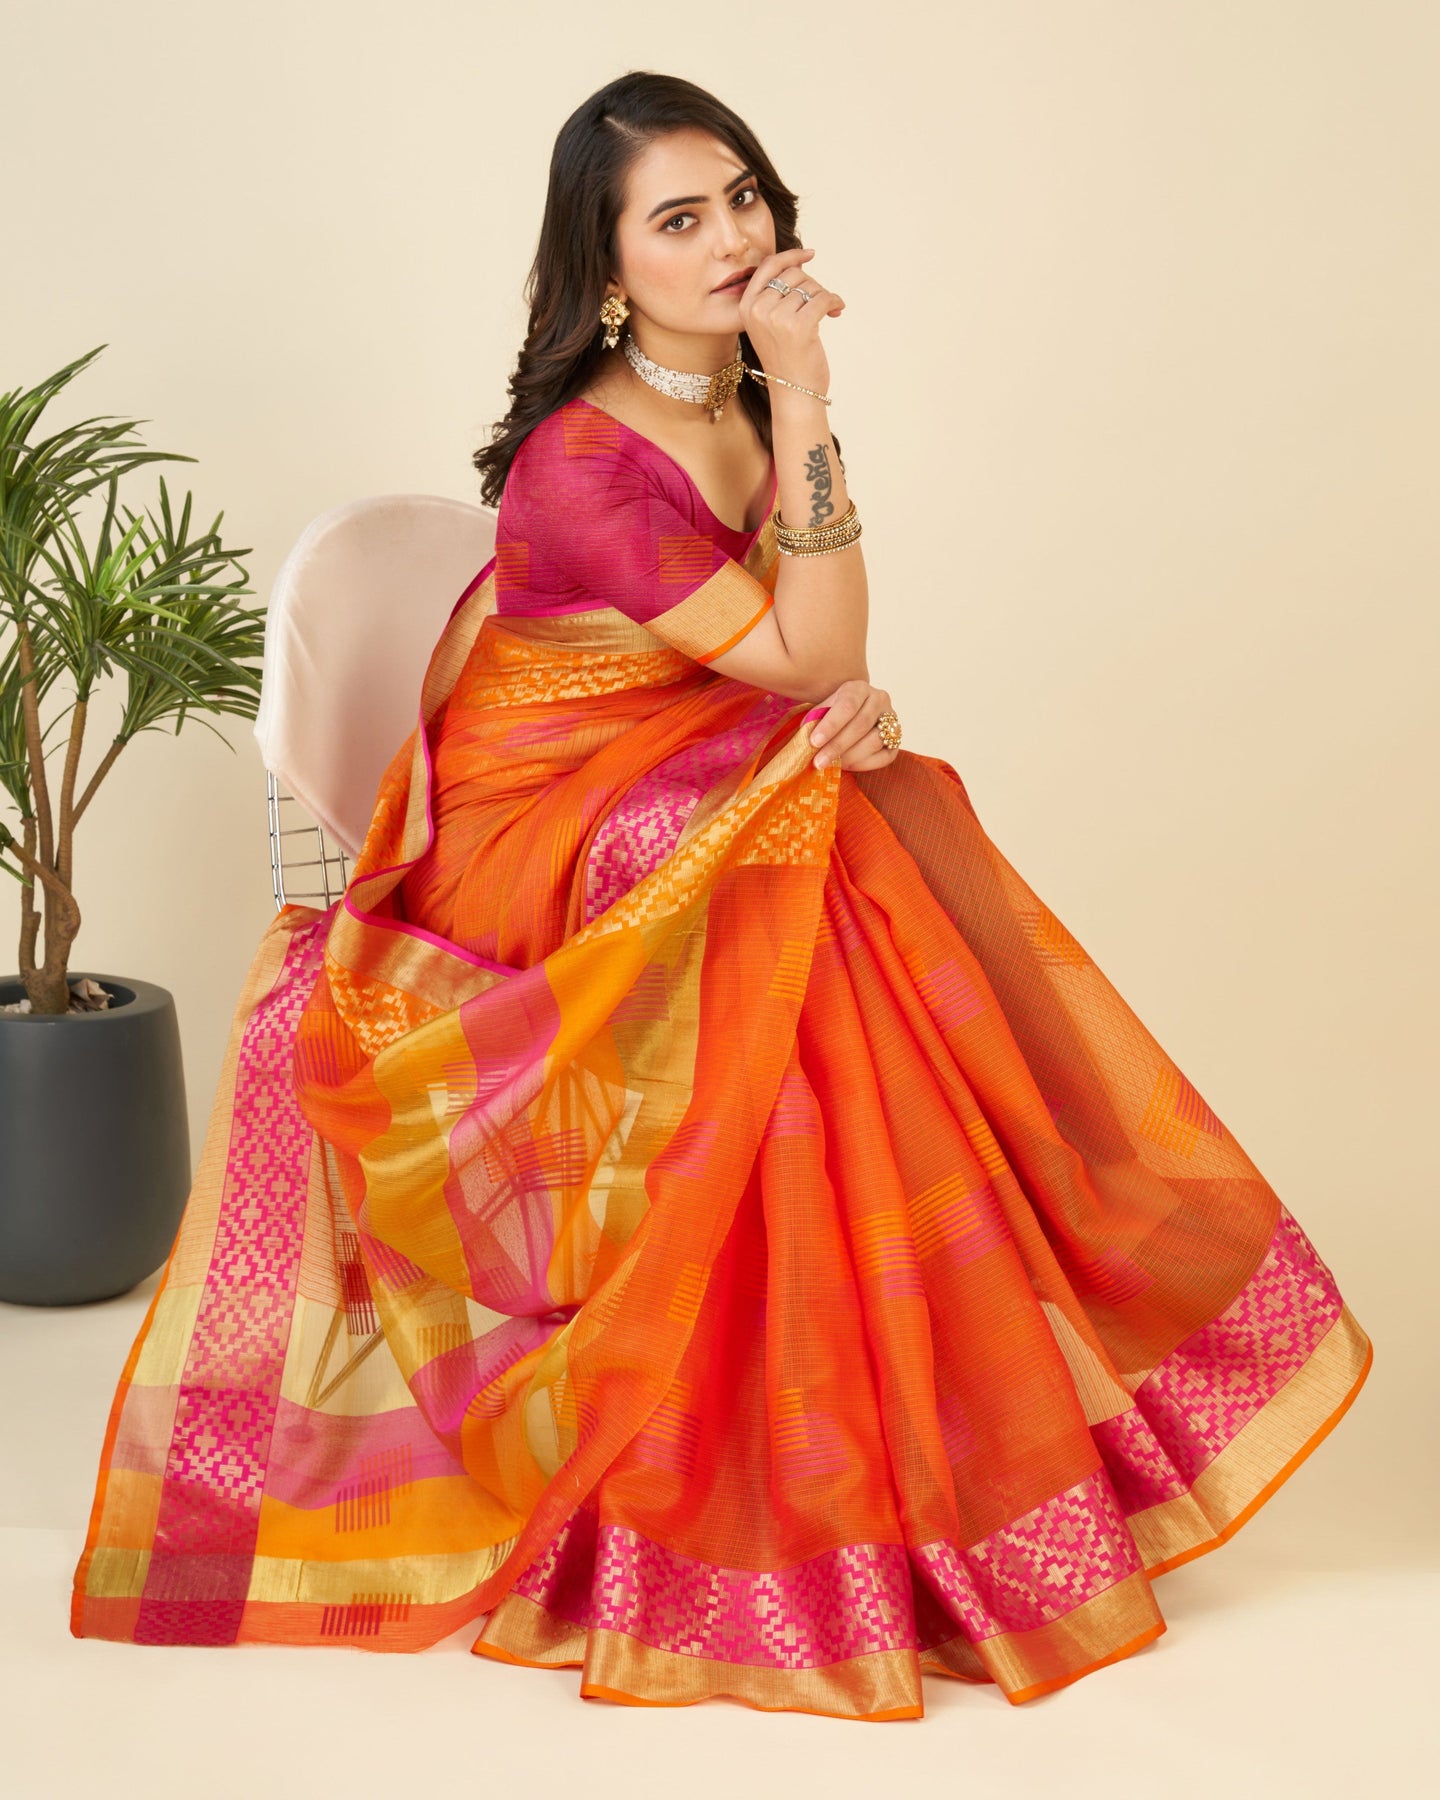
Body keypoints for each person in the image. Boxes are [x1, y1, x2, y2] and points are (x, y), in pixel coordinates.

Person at [70, 70, 1373, 1722]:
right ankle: (800, 1457)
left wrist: (843, 705)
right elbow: (808, 648)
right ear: (607, 267)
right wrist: (813, 444)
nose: (733, 238)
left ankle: (887, 1432)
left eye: (743, 196)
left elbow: (818, 660)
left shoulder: (737, 400)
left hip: (670, 759)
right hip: (524, 830)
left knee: (858, 813)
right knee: (813, 863)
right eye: (679, 219)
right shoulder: (583, 462)